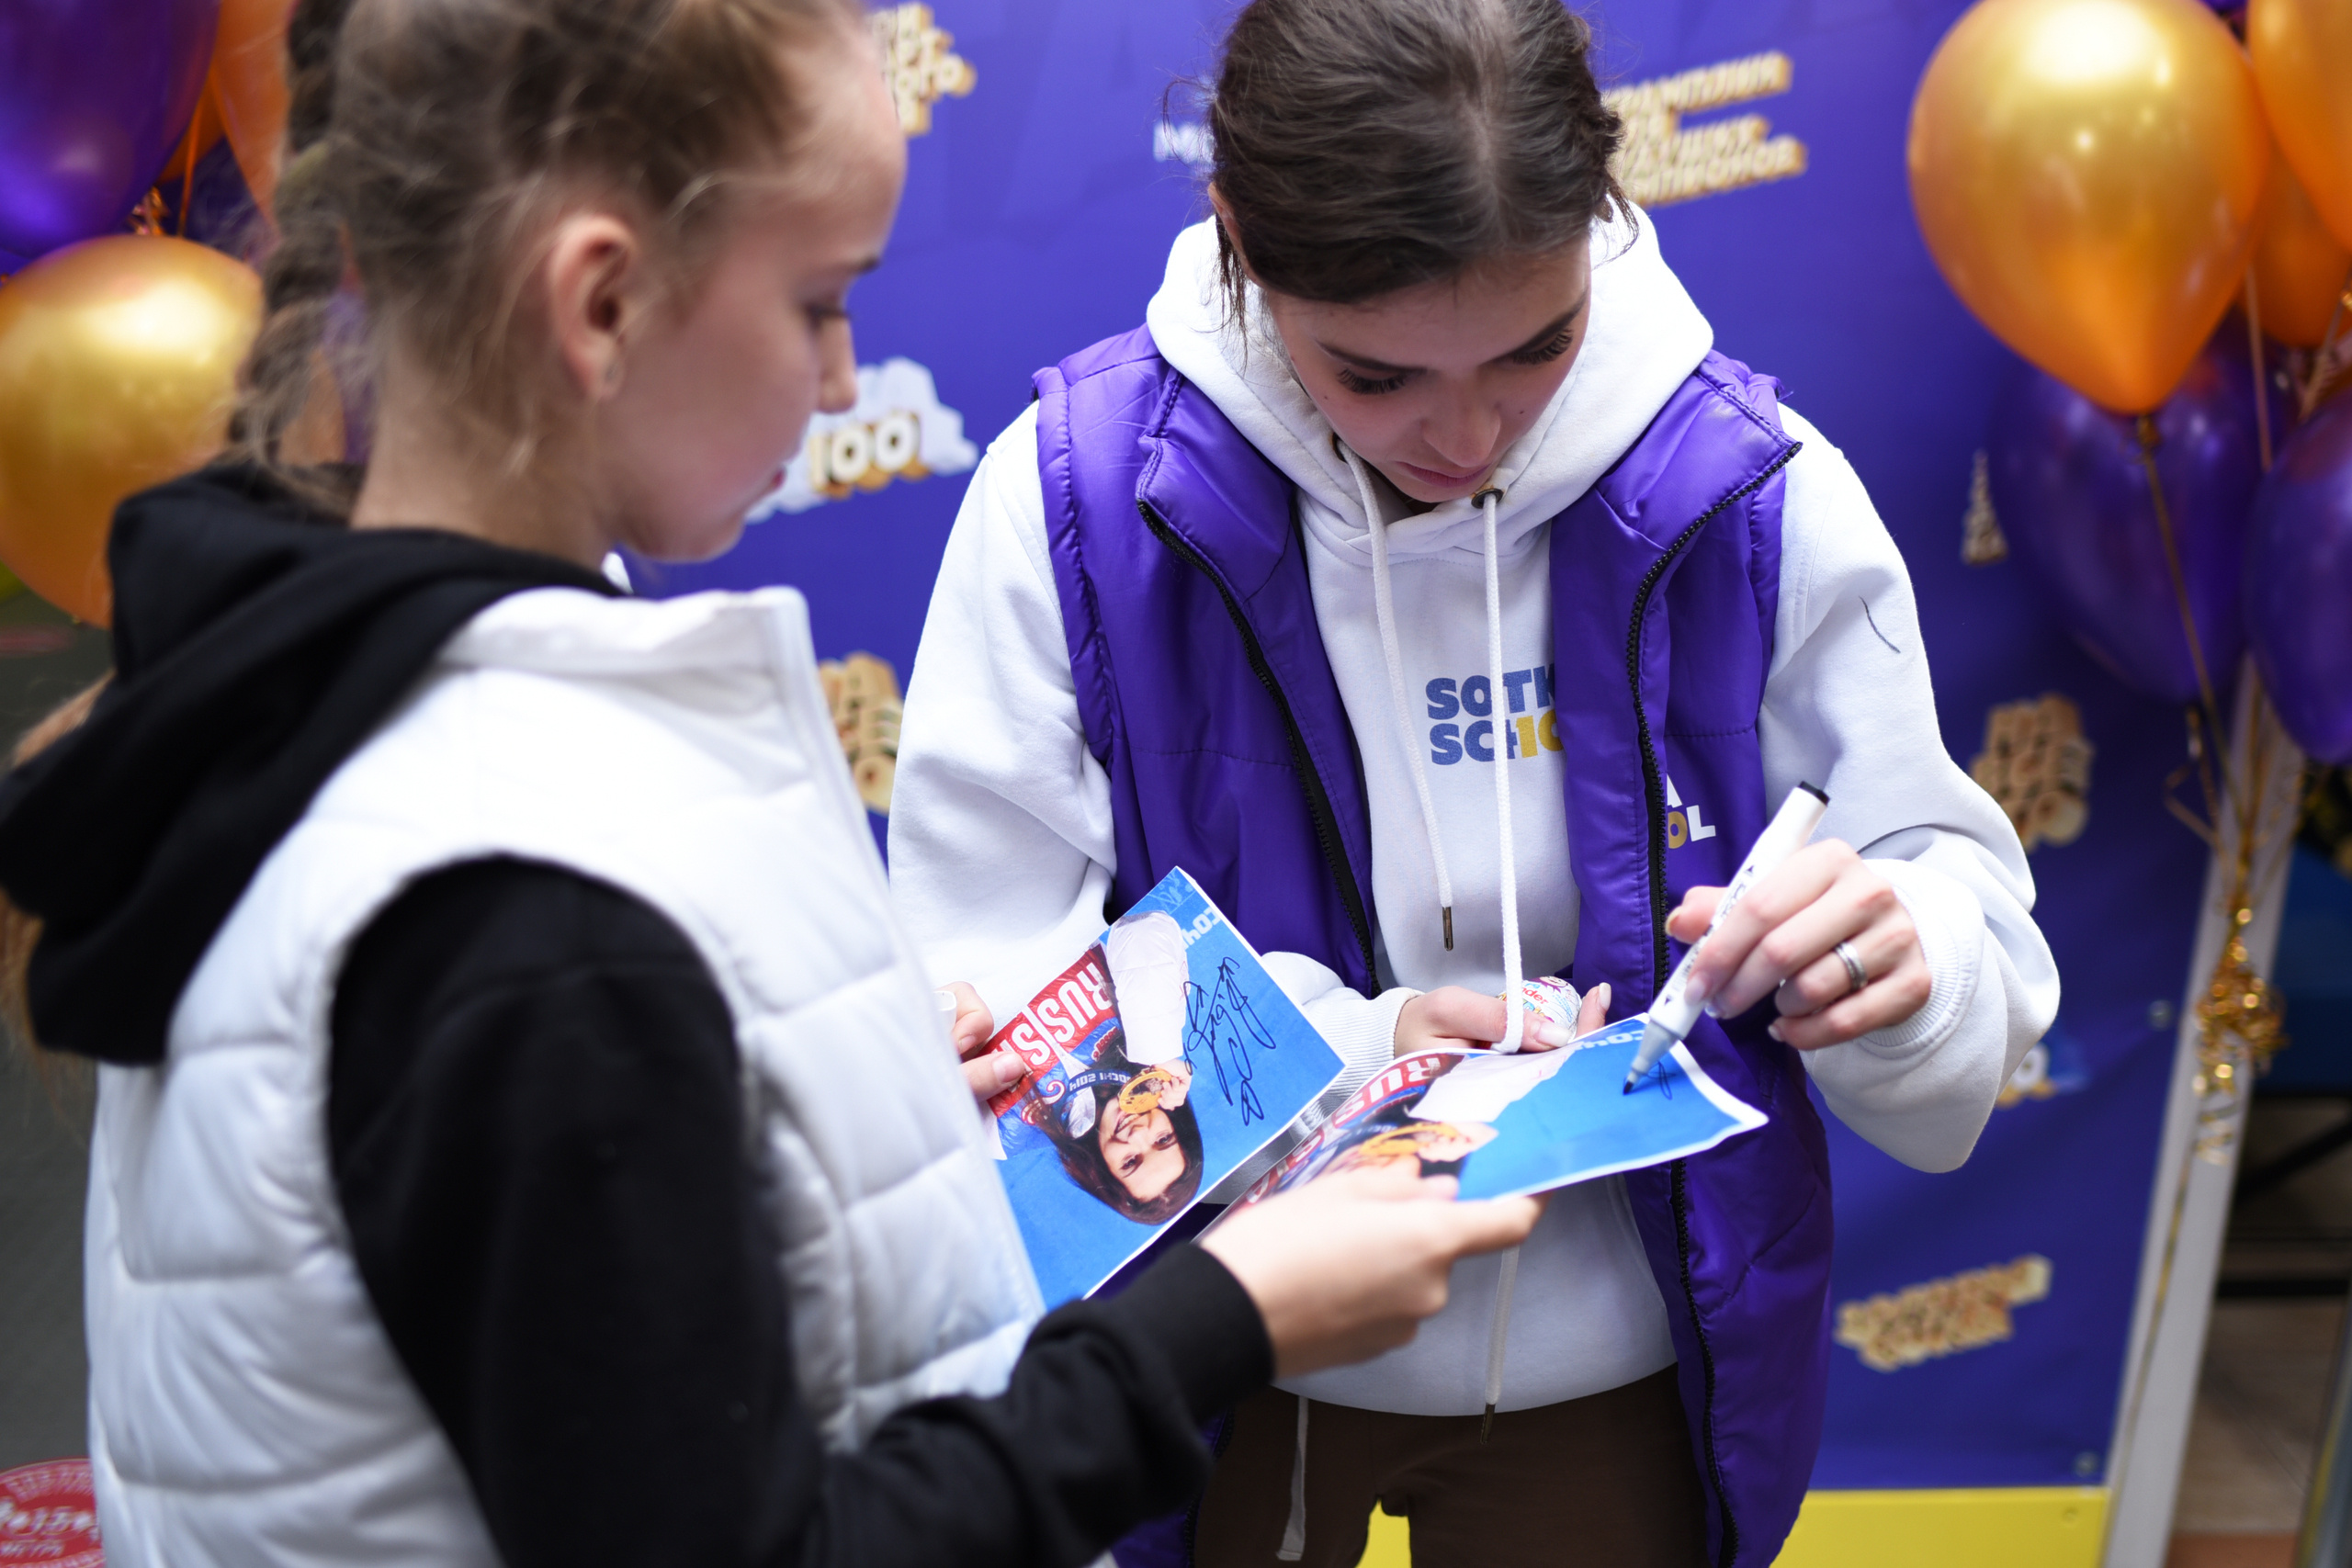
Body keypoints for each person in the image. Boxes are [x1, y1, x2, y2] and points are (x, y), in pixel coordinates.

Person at [0, 1, 1545, 1564]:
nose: (842, 381)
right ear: (601, 302)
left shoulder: (336, 739)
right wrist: (1227, 1315)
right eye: (819, 302)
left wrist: (797, 1104)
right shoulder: (517, 886)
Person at [886, 0, 2062, 1562]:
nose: (1465, 434)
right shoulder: (1079, 500)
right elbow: (983, 1001)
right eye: (1374, 374)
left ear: (1599, 224)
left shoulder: (1752, 490)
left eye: (1536, 347)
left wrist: (1906, 964)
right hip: (1213, 1369)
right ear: (1237, 236)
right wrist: (1357, 1053)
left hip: (1615, 1375)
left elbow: (1966, 935)